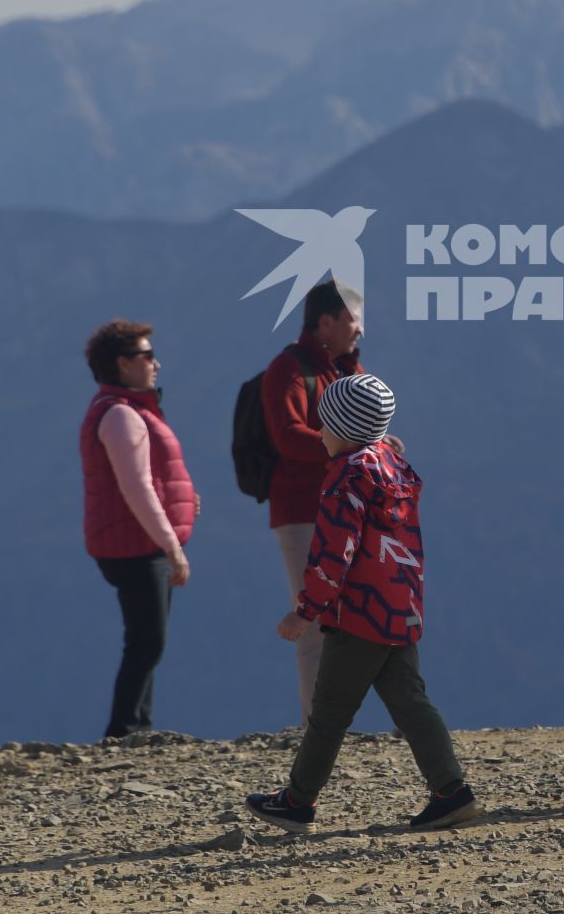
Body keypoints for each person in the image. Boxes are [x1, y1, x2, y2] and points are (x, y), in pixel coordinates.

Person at [244, 374, 480, 833]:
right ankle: (452, 792)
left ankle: (297, 802)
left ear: (344, 428)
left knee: (329, 713)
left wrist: (305, 610)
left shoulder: (345, 481)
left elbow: (336, 554)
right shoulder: (393, 466)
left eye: (325, 426)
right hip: (400, 604)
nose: (321, 435)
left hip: (357, 613)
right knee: (412, 702)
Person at [79, 319, 201, 740]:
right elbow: (136, 488)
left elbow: (153, 479)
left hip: (133, 540)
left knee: (148, 639)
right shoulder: (120, 416)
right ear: (123, 364)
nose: (157, 364)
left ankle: (137, 728)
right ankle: (125, 731)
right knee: (148, 640)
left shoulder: (126, 411)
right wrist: (172, 547)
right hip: (134, 545)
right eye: (147, 356)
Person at [261, 279, 367, 723]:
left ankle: (334, 723)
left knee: (362, 613)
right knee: (315, 622)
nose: (360, 329)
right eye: (352, 319)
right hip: (305, 511)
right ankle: (319, 727)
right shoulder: (288, 369)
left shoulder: (348, 372)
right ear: (325, 322)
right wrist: (350, 444)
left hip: (353, 508)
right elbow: (288, 438)